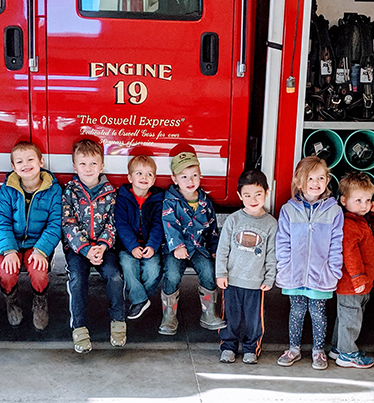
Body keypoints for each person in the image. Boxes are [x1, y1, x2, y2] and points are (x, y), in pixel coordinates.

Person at [275, 156, 343, 371]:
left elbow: (336, 243)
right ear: (298, 180)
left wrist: (333, 270)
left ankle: (318, 350)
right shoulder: (288, 210)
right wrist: (284, 266)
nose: (315, 183)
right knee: (296, 310)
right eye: (310, 178)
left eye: (321, 178)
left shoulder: (334, 211)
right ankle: (294, 349)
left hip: (321, 275)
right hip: (293, 274)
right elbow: (283, 241)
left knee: (317, 311)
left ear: (327, 180)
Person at [62, 139, 126, 351]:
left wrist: (101, 245)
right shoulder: (70, 192)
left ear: (102, 166)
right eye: (82, 164)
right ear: (74, 167)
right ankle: (79, 328)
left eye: (93, 164)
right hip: (78, 250)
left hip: (103, 248)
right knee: (77, 280)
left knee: (115, 276)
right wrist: (86, 249)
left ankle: (118, 322)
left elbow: (113, 223)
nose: (88, 169)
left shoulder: (109, 192)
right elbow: (68, 224)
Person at [0, 141, 62, 331]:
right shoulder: (8, 190)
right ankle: (11, 300)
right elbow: (1, 221)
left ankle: (40, 301)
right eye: (20, 161)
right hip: (12, 244)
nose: (26, 164)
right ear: (13, 167)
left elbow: (55, 224)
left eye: (31, 159)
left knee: (39, 272)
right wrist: (8, 250)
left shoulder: (53, 190)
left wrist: (41, 250)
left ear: (41, 161)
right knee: (6, 273)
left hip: (38, 245)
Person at [160, 151, 226, 335]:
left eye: (194, 175)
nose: (190, 181)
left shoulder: (205, 202)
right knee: (172, 274)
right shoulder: (170, 201)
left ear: (200, 176)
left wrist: (213, 249)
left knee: (208, 270)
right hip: (176, 249)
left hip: (198, 247)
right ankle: (169, 315)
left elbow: (212, 227)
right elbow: (169, 224)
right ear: (174, 179)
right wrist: (178, 246)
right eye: (184, 177)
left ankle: (209, 313)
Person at [216, 169, 277, 364]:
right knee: (230, 317)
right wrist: (221, 273)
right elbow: (223, 248)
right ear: (239, 196)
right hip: (232, 280)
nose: (253, 199)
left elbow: (272, 253)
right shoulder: (233, 220)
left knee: (254, 320)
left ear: (267, 192)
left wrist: (269, 277)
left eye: (258, 194)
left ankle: (251, 348)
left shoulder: (271, 224)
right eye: (248, 195)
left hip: (256, 283)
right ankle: (228, 346)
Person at [330, 172, 374, 370]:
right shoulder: (349, 224)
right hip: (352, 282)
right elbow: (349, 253)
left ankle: (338, 347)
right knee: (351, 318)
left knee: (346, 317)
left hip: (360, 281)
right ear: (343, 200)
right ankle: (347, 354)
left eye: (368, 200)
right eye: (358, 200)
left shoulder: (363, 219)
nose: (364, 205)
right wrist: (358, 277)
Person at [115, 155, 163, 321]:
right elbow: (121, 225)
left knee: (153, 270)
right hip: (128, 247)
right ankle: (140, 299)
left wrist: (152, 246)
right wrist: (132, 246)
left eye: (149, 174)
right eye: (139, 173)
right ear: (130, 177)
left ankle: (138, 298)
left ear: (154, 179)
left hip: (150, 246)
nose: (144, 178)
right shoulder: (122, 199)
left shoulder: (157, 200)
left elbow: (158, 225)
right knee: (128, 265)